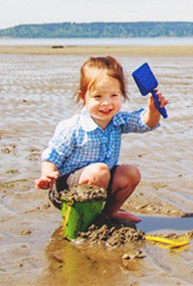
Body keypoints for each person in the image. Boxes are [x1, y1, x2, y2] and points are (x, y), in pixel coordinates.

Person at [35, 56, 168, 222]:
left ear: (122, 95)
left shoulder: (118, 121)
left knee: (130, 173)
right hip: (67, 189)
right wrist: (47, 175)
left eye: (114, 95)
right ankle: (82, 219)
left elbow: (144, 123)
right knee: (100, 171)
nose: (106, 103)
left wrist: (154, 111)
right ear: (83, 97)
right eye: (98, 97)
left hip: (101, 182)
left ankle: (109, 213)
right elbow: (52, 156)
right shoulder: (73, 127)